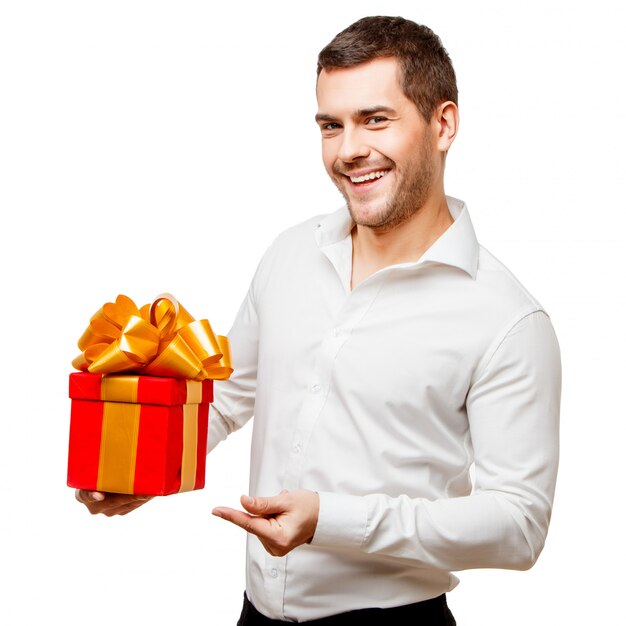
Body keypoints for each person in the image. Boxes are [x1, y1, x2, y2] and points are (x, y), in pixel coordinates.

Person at [77, 16, 561, 625]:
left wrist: (329, 521)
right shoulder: (289, 254)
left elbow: (519, 525)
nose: (349, 150)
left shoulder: (509, 320)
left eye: (375, 119)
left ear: (443, 124)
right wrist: (140, 469)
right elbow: (227, 398)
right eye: (331, 125)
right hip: (254, 615)